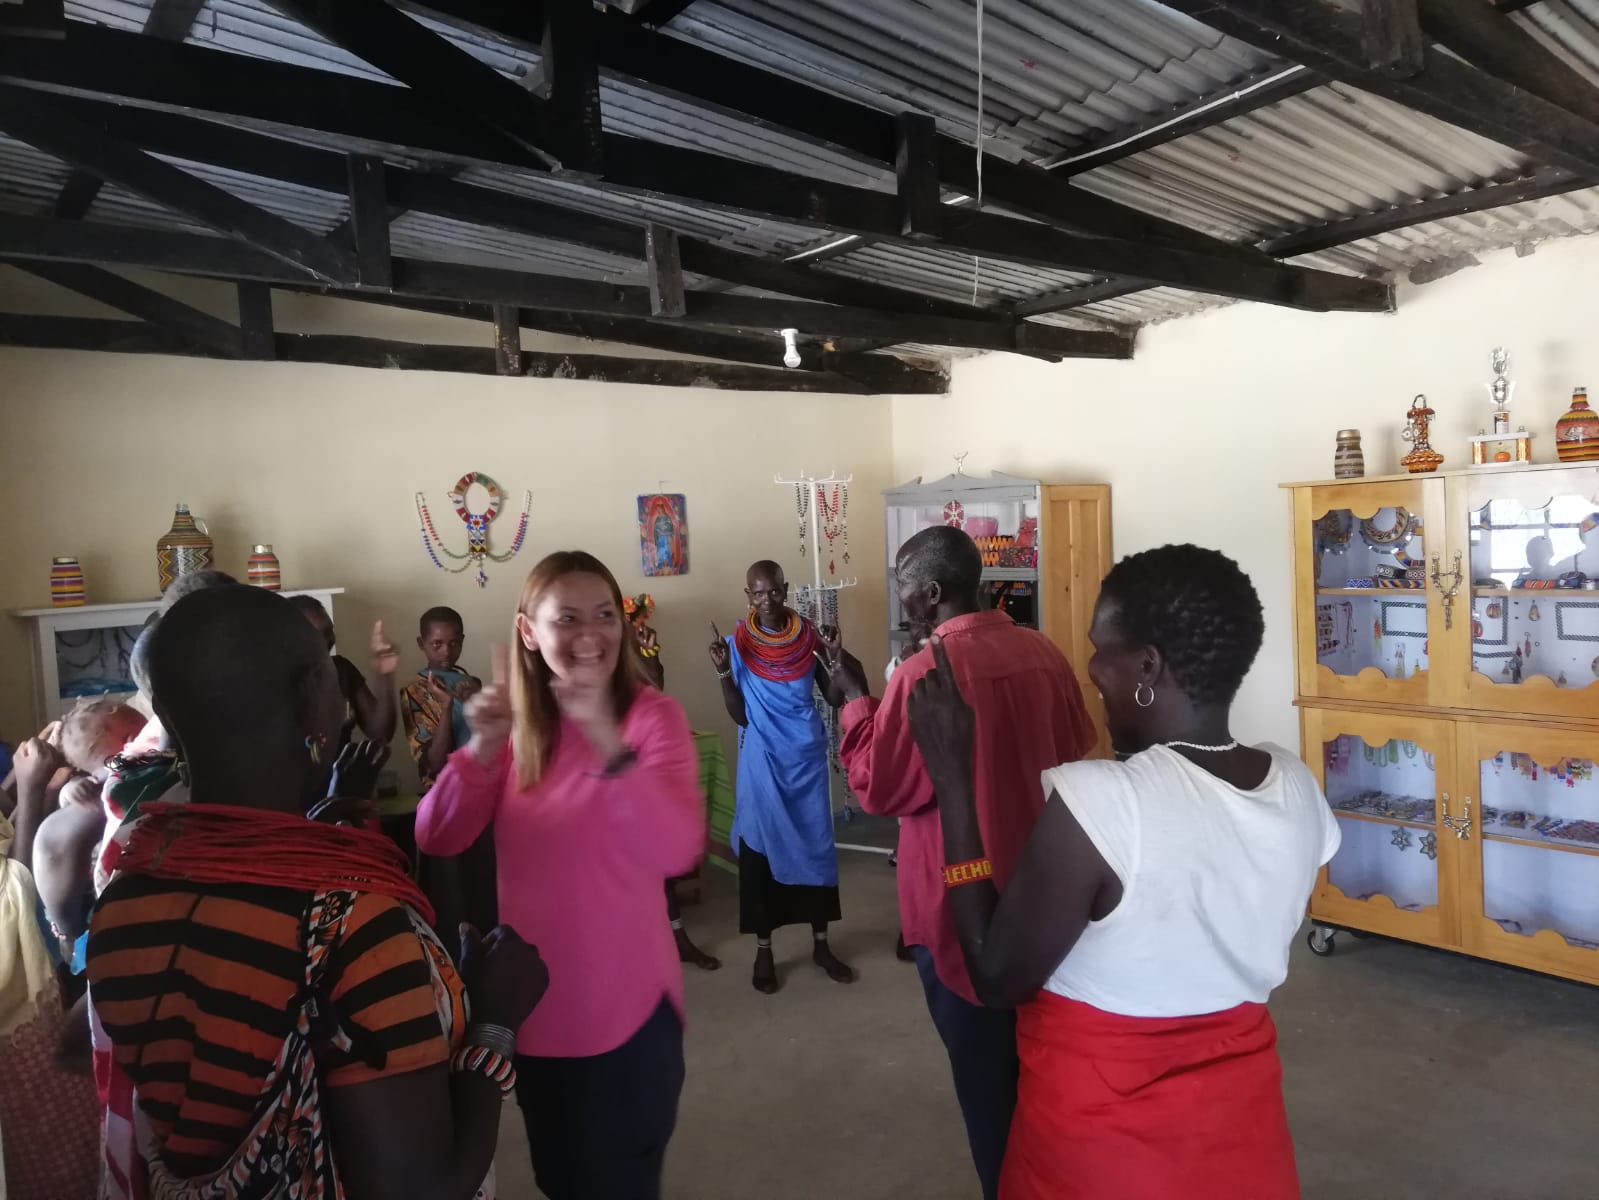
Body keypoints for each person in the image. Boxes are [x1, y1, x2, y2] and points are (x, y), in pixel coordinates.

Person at [904, 544, 1341, 1200]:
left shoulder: (1105, 802)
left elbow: (996, 977)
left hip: (1103, 1153)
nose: (1089, 669)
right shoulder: (1294, 782)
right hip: (1243, 1142)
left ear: (1146, 667)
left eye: (1098, 650)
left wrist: (954, 783)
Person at [85, 584, 548, 1199]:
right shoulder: (349, 924)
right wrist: (495, 1022)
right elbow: (425, 1187)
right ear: (311, 698)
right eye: (329, 674)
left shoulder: (124, 900)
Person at [416, 551, 704, 1200]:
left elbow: (675, 848)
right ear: (527, 631)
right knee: (562, 1180)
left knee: (620, 1182)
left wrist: (603, 736)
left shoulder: (651, 717)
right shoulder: (515, 727)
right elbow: (437, 835)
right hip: (536, 1016)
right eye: (566, 618)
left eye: (605, 615)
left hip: (631, 1015)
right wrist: (481, 749)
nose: (590, 634)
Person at [823, 525, 1096, 1200]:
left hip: (957, 905)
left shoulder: (924, 675)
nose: (900, 594)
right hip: (1050, 901)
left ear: (932, 592)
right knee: (1049, 1076)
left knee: (987, 1088)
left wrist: (855, 700)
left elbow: (880, 787)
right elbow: (1076, 743)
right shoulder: (1042, 652)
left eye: (903, 582)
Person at [710, 560, 852, 994]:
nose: (767, 600)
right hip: (763, 760)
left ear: (785, 589)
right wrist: (723, 672)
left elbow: (832, 698)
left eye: (773, 591)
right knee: (760, 848)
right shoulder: (738, 645)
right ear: (748, 596)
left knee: (815, 848)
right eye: (758, 593)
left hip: (804, 758)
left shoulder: (808, 637)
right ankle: (764, 950)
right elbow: (740, 717)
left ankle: (822, 945)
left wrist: (834, 658)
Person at [1, 737, 99, 1200]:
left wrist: (31, 787)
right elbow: (8, 909)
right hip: (20, 1042)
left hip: (51, 983)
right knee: (52, 1154)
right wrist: (30, 787)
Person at [625, 595, 720, 971]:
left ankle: (678, 940)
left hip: (641, 783)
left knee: (660, 870)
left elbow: (654, 688)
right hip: (611, 792)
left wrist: (648, 654)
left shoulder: (631, 659)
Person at [401, 606, 495, 961]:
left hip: (482, 800)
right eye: (437, 644)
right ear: (421, 643)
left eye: (454, 643)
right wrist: (444, 708)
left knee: (485, 893)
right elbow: (434, 763)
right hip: (444, 805)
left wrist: (477, 700)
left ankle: (489, 963)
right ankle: (455, 971)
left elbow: (492, 743)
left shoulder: (469, 683)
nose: (446, 652)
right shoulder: (415, 692)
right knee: (452, 905)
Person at [288, 593, 400, 746]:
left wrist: (384, 674)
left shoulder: (342, 670)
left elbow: (381, 732)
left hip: (343, 762)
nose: (327, 641)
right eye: (316, 635)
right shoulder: (274, 682)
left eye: (329, 631)